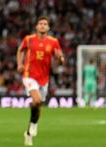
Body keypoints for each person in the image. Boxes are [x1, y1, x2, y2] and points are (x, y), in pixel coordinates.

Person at [16, 16, 65, 146]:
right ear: (37, 27)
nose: (43, 25)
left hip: (44, 78)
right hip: (29, 75)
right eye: (40, 23)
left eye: (45, 24)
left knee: (37, 105)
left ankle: (29, 130)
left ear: (48, 27)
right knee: (37, 100)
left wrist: (61, 59)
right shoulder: (29, 39)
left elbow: (59, 57)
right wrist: (19, 64)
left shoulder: (54, 42)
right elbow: (20, 50)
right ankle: (33, 122)